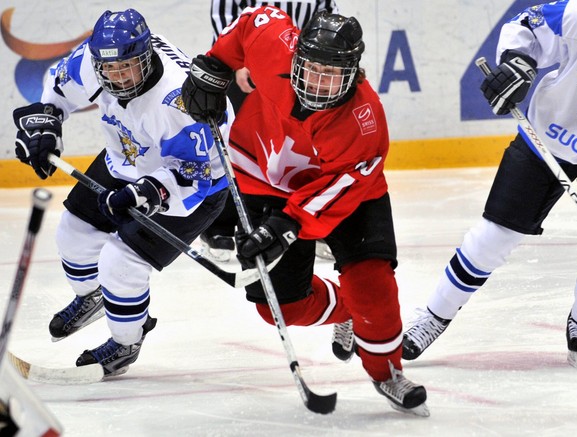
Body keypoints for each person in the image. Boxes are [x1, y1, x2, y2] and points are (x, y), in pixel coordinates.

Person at [181, 6, 429, 416]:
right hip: (263, 177)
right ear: (295, 56)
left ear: (353, 73)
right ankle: (347, 308)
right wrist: (214, 65)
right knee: (280, 307)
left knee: (373, 284)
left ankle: (387, 372)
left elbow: (343, 185)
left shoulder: (364, 120)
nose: (318, 83)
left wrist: (285, 224)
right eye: (312, 69)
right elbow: (250, 23)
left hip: (348, 194)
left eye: (332, 75)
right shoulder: (274, 43)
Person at [12, 9, 231, 377]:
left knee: (120, 263)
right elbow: (60, 87)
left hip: (194, 185)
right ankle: (92, 298)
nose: (116, 78)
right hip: (127, 158)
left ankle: (126, 340)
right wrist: (47, 120)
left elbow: (195, 174)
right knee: (72, 233)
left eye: (126, 68)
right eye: (108, 70)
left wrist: (145, 193)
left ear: (146, 57)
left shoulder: (177, 102)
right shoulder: (95, 61)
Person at [401, 0, 577, 370]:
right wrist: (518, 62)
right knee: (493, 237)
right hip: (550, 135)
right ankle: (435, 315)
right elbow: (527, 24)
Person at [201, 0, 339, 262]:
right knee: (235, 144)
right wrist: (239, 62)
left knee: (303, 147)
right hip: (245, 63)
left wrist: (318, 59)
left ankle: (308, 219)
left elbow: (327, 14)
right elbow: (225, 12)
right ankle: (221, 222)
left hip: (303, 71)